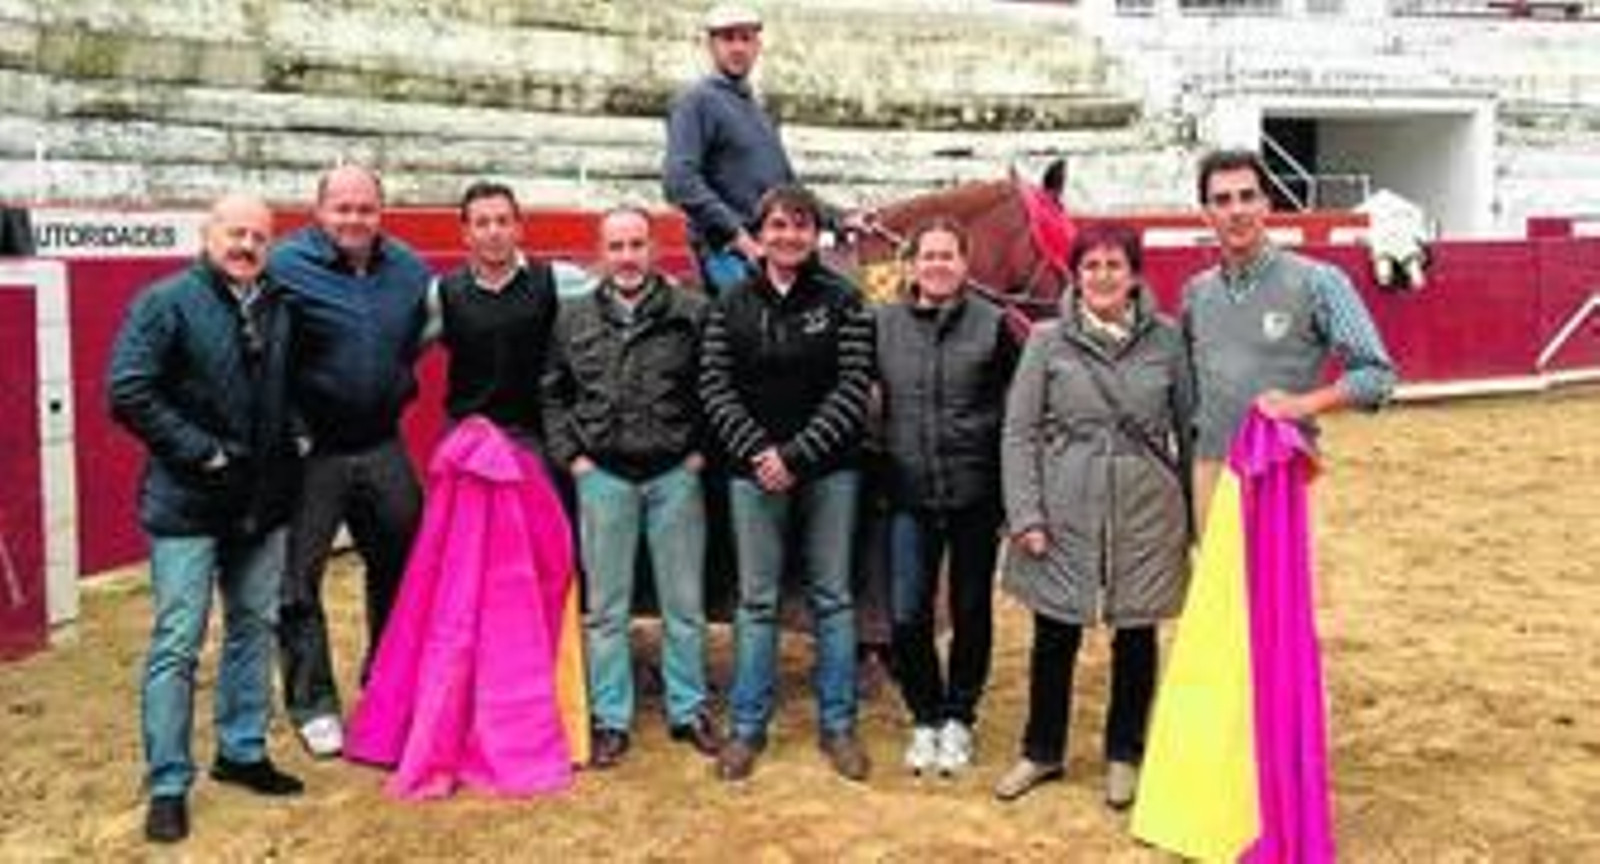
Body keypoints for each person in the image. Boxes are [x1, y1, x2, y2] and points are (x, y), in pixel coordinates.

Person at [108, 194, 307, 843]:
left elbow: (288, 383)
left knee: (254, 625)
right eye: (235, 232)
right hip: (188, 501)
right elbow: (128, 390)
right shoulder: (164, 301)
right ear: (208, 234)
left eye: (259, 234)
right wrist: (205, 452)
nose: (247, 244)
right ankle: (168, 783)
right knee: (178, 642)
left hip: (262, 499)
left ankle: (241, 750)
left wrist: (296, 432)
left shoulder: (278, 302)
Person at [994, 222, 1194, 810]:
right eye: (1091, 266)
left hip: (1147, 506)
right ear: (1075, 276)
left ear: (1134, 275)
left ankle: (1124, 755)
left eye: (1114, 265)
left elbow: (1188, 428)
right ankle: (1042, 750)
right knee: (1054, 633)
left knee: (1137, 636)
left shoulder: (1167, 340)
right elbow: (1019, 432)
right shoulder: (1048, 341)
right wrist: (1026, 511)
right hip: (1065, 500)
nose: (1103, 276)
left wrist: (1195, 515)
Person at [699, 184, 875, 782]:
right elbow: (714, 387)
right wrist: (758, 452)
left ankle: (838, 725)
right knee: (756, 600)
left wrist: (795, 455)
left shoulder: (845, 300)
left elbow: (853, 389)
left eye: (801, 225)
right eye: (778, 225)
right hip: (752, 472)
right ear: (761, 232)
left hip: (829, 470)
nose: (789, 236)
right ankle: (747, 729)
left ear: (814, 234)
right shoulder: (731, 302)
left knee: (832, 596)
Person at [543, 206, 720, 768]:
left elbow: (715, 388)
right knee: (608, 609)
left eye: (636, 244)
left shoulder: (692, 311)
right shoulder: (572, 319)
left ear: (654, 249)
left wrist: (700, 455)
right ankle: (611, 718)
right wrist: (572, 459)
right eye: (615, 246)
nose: (626, 257)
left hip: (674, 475)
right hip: (604, 476)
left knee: (684, 604)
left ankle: (688, 708)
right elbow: (552, 392)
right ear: (601, 252)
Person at [269, 164, 433, 759]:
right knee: (298, 580)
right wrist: (291, 428)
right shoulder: (285, 266)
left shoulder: (409, 269)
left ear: (380, 212)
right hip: (315, 451)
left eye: (365, 209)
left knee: (402, 563)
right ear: (319, 211)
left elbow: (420, 336)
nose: (354, 220)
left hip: (382, 441)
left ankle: (385, 680)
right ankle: (313, 703)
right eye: (342, 208)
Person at [874, 218, 1017, 777]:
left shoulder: (994, 325)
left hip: (975, 491)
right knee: (908, 615)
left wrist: (1009, 494)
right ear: (911, 265)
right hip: (907, 491)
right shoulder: (882, 323)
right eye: (927, 255)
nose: (936, 265)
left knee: (971, 610)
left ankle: (960, 717)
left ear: (965, 263)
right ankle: (925, 717)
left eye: (947, 256)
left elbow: (1017, 410)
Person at [1185, 149, 1397, 526]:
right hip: (1211, 471)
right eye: (1222, 200)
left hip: (1282, 471)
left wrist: (1302, 404)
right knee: (1218, 584)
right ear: (1206, 214)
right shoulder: (1196, 293)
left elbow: (1377, 377)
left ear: (1268, 204)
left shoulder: (1319, 281)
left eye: (1248, 196)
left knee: (1281, 585)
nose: (1236, 211)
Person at [664, 3, 794, 295]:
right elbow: (679, 181)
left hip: (769, 254)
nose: (738, 48)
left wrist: (843, 218)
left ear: (758, 46)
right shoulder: (696, 101)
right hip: (725, 257)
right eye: (728, 38)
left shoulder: (760, 112)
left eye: (746, 38)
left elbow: (788, 189)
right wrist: (738, 236)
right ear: (711, 45)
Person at [423, 181, 559, 450]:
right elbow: (404, 353)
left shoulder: (554, 280)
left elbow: (610, 281)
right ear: (466, 233)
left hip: (535, 436)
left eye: (502, 221)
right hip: (469, 437)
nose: (493, 232)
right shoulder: (442, 291)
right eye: (482, 223)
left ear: (518, 228)